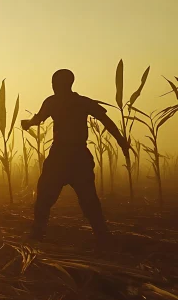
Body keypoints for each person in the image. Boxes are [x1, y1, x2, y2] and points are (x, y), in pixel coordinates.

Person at [22, 69, 129, 245]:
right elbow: (106, 121)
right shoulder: (82, 102)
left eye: (54, 83)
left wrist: (28, 123)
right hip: (79, 156)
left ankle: (37, 233)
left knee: (45, 197)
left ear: (57, 84)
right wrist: (121, 140)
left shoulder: (53, 102)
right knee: (88, 198)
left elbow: (38, 119)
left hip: (60, 156)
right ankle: (102, 234)